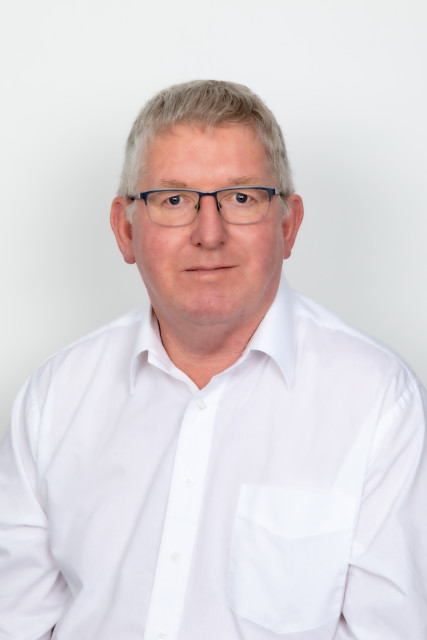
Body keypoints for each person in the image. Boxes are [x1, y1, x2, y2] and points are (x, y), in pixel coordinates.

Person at [0, 80, 426, 640]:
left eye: (241, 198)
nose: (209, 233)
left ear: (288, 225)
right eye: (173, 200)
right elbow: (16, 622)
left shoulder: (379, 401)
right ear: (125, 230)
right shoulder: (55, 396)